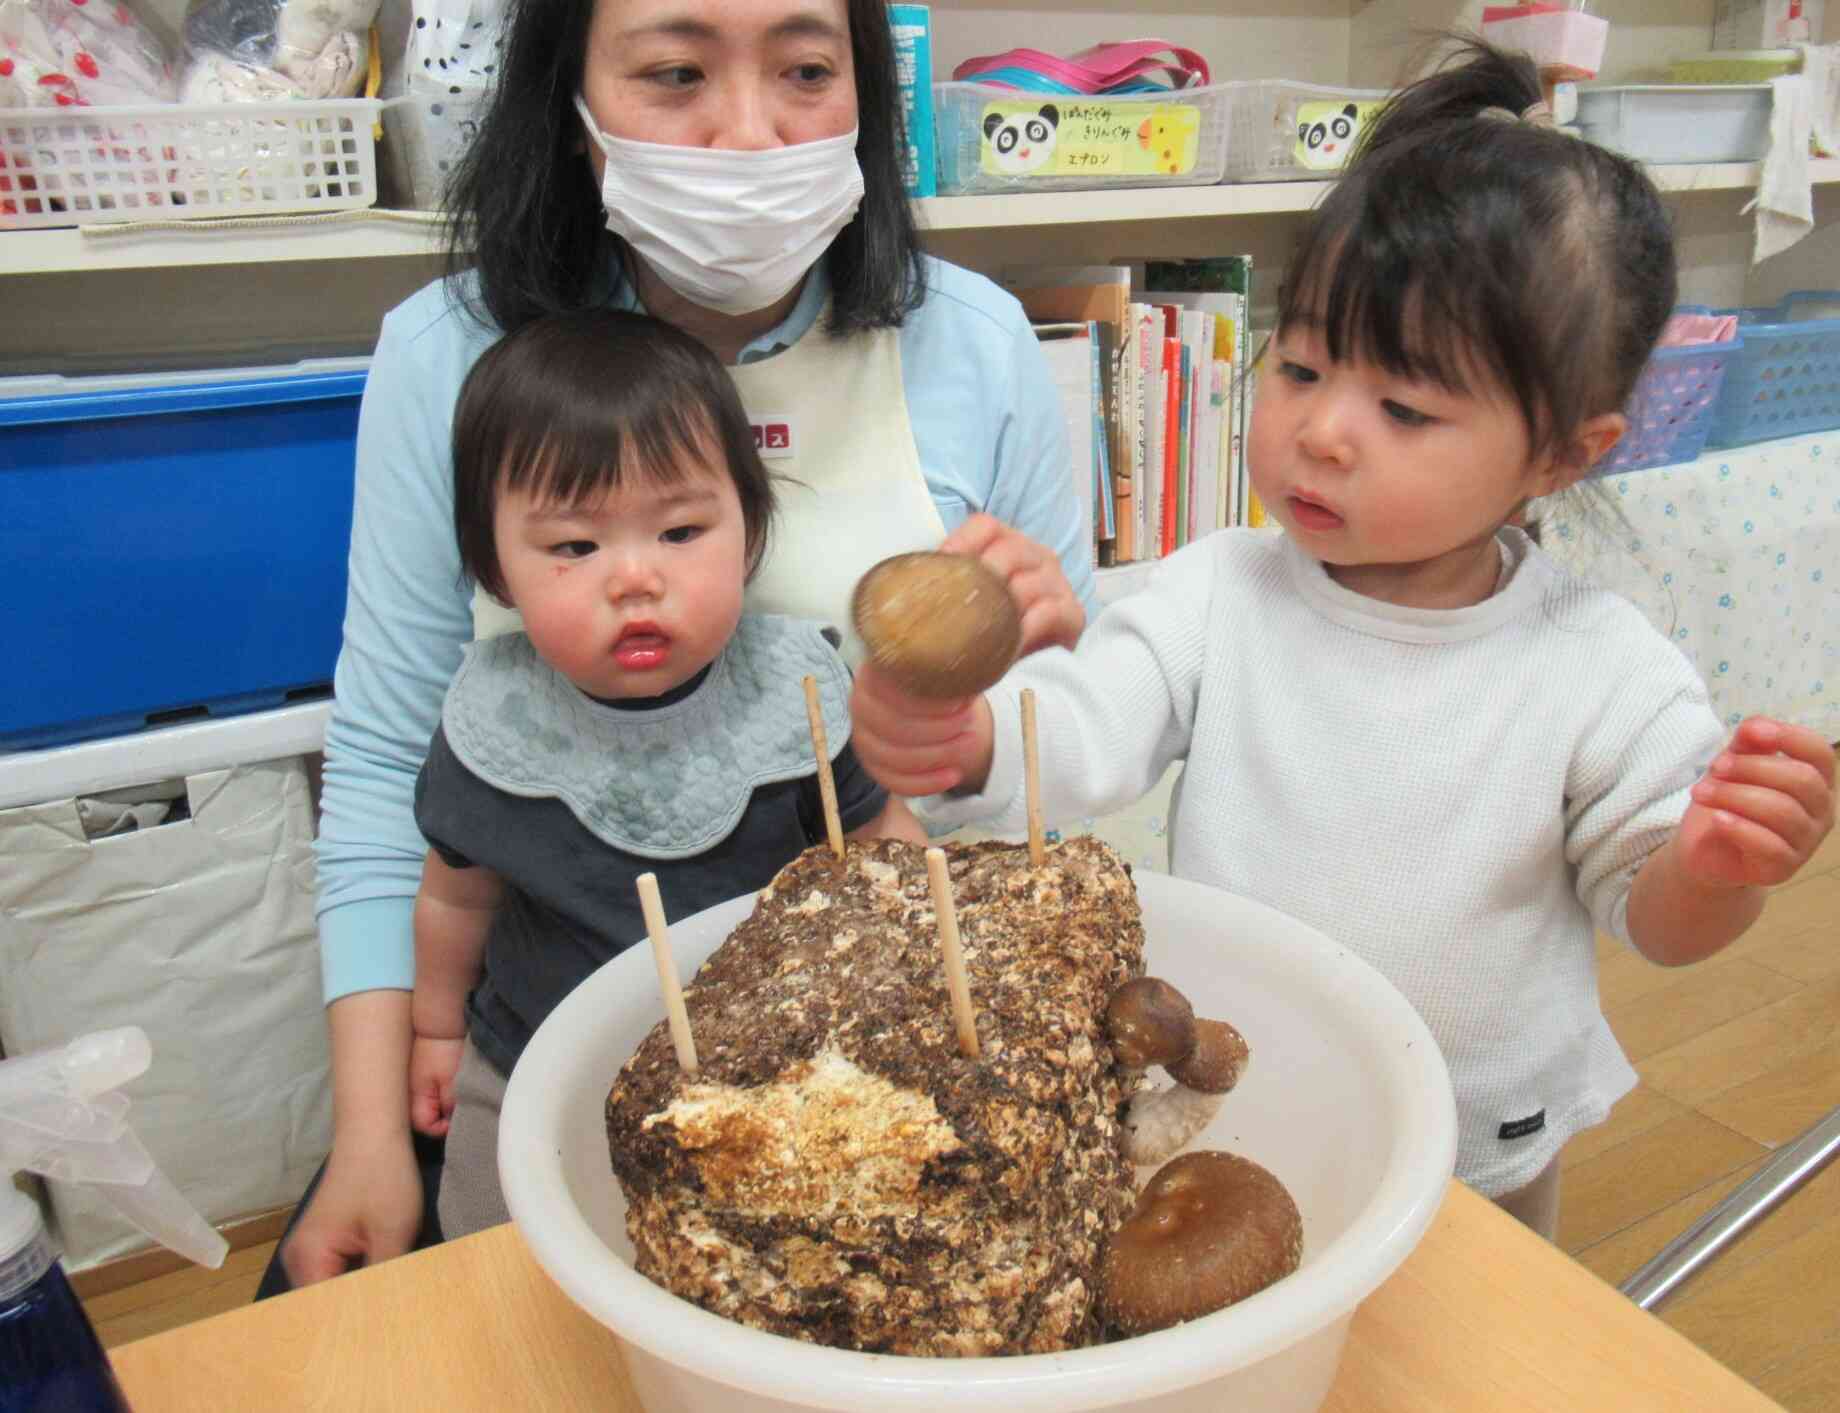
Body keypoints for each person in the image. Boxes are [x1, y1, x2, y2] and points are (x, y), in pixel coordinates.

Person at [845, 39, 1838, 1241]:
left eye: (1405, 408)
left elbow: (1660, 921)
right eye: (1301, 365)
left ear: (1564, 453)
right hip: (1232, 1092)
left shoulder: (1600, 667)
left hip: (1482, 1149)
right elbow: (1086, 728)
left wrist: (1717, 870)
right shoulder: (1219, 588)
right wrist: (960, 738)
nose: (1320, 432)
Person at [267, 0, 1097, 1292]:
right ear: (575, 106)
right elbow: (389, 767)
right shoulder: (446, 356)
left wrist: (994, 695)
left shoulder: (979, 344)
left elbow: (1057, 750)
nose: (750, 132)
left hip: (867, 1057)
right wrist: (370, 1136)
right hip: (545, 1046)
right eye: (674, 70)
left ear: (870, 95)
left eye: (808, 69)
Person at [408, 308, 923, 1238]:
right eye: (575, 546)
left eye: (682, 531)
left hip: (772, 1062)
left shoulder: (794, 689)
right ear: (494, 568)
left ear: (750, 530)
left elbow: (882, 836)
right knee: (495, 1255)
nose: (634, 578)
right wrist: (437, 1031)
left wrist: (919, 952)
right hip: (529, 1057)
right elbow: (454, 898)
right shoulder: (494, 722)